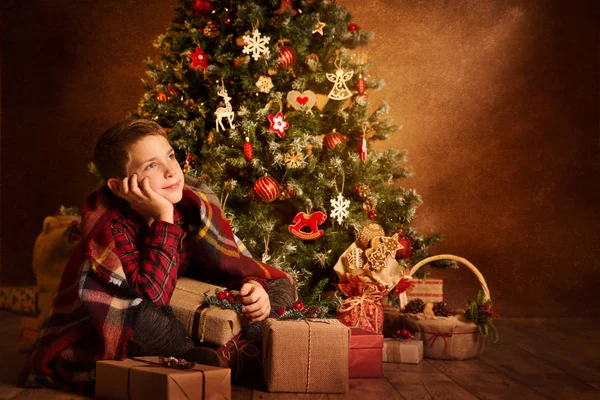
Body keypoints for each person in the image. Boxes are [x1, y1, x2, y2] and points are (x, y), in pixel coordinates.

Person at [23, 119, 295, 390]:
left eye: (170, 156)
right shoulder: (111, 225)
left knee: (279, 283)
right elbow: (152, 296)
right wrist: (163, 218)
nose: (171, 171)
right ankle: (200, 358)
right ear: (119, 187)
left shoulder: (191, 205)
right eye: (151, 165)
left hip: (184, 302)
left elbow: (225, 265)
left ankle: (245, 347)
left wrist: (252, 287)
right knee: (139, 319)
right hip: (130, 311)